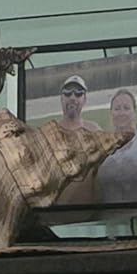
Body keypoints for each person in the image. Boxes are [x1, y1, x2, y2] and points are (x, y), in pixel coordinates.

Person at [96, 88, 137, 204]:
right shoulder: (102, 145)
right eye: (117, 108)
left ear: (134, 112)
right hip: (109, 213)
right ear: (111, 112)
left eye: (126, 108)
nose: (121, 113)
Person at [55, 74, 103, 206]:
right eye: (67, 93)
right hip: (57, 211)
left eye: (78, 94)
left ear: (84, 99)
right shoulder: (50, 133)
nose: (72, 97)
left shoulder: (95, 131)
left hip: (88, 211)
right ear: (61, 98)